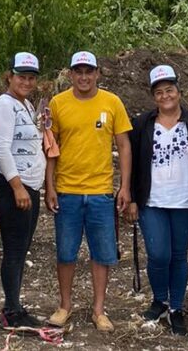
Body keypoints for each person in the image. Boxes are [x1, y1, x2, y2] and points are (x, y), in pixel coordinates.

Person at [44, 50, 132, 332]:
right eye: (78, 72)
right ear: (70, 74)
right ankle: (64, 306)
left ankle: (99, 309)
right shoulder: (58, 104)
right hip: (67, 191)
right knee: (66, 252)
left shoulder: (112, 103)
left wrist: (125, 186)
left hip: (101, 193)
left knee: (102, 253)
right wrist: (50, 186)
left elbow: (124, 146)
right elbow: (50, 149)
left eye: (89, 71)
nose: (84, 77)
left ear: (97, 74)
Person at [124, 65, 188, 336]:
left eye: (170, 90)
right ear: (153, 96)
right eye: (159, 92)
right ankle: (159, 300)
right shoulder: (142, 123)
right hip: (152, 201)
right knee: (158, 254)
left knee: (178, 256)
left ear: (179, 92)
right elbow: (131, 162)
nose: (165, 96)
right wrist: (131, 197)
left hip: (186, 201)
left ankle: (176, 308)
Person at [0, 52, 47, 329]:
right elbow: (1, 147)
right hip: (15, 187)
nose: (26, 81)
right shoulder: (4, 105)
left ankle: (15, 305)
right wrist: (16, 186)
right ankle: (11, 310)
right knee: (14, 249)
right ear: (9, 76)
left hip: (30, 185)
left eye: (31, 77)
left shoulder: (25, 105)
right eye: (21, 76)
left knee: (22, 248)